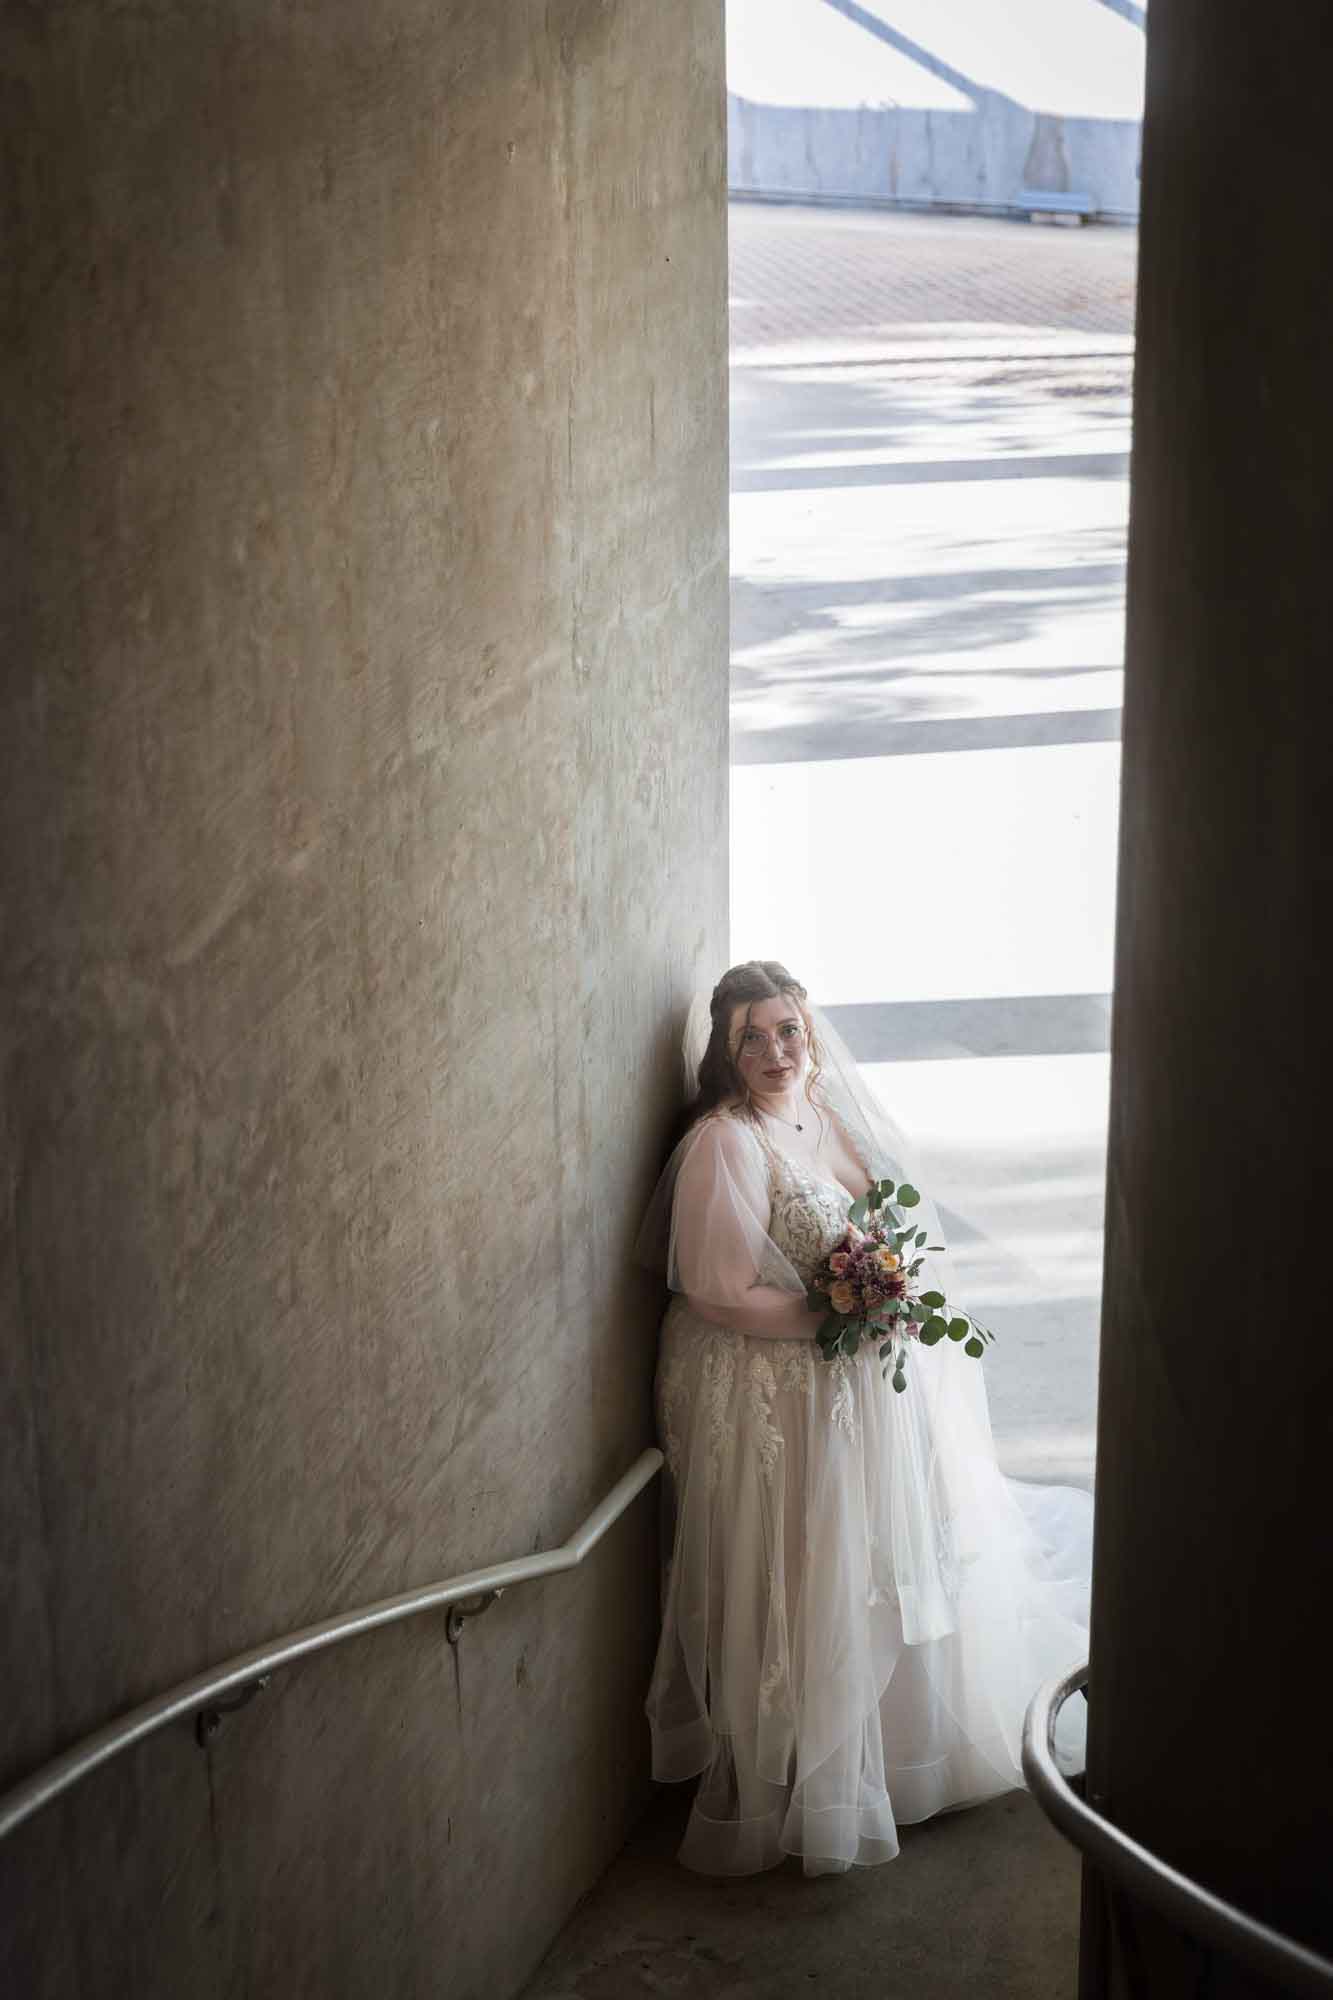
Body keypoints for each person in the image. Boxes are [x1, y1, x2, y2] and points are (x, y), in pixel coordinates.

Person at [638, 959, 1093, 1877]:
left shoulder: (825, 1113)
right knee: (806, 1563)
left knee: (872, 1557)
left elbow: (874, 1217)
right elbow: (719, 1295)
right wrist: (843, 1312)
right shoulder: (725, 1145)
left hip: (846, 1369)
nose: (775, 1051)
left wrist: (881, 1288)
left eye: (788, 1031)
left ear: (810, 1034)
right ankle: (806, 1768)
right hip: (770, 1383)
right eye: (752, 1038)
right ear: (725, 1054)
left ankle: (893, 1742)